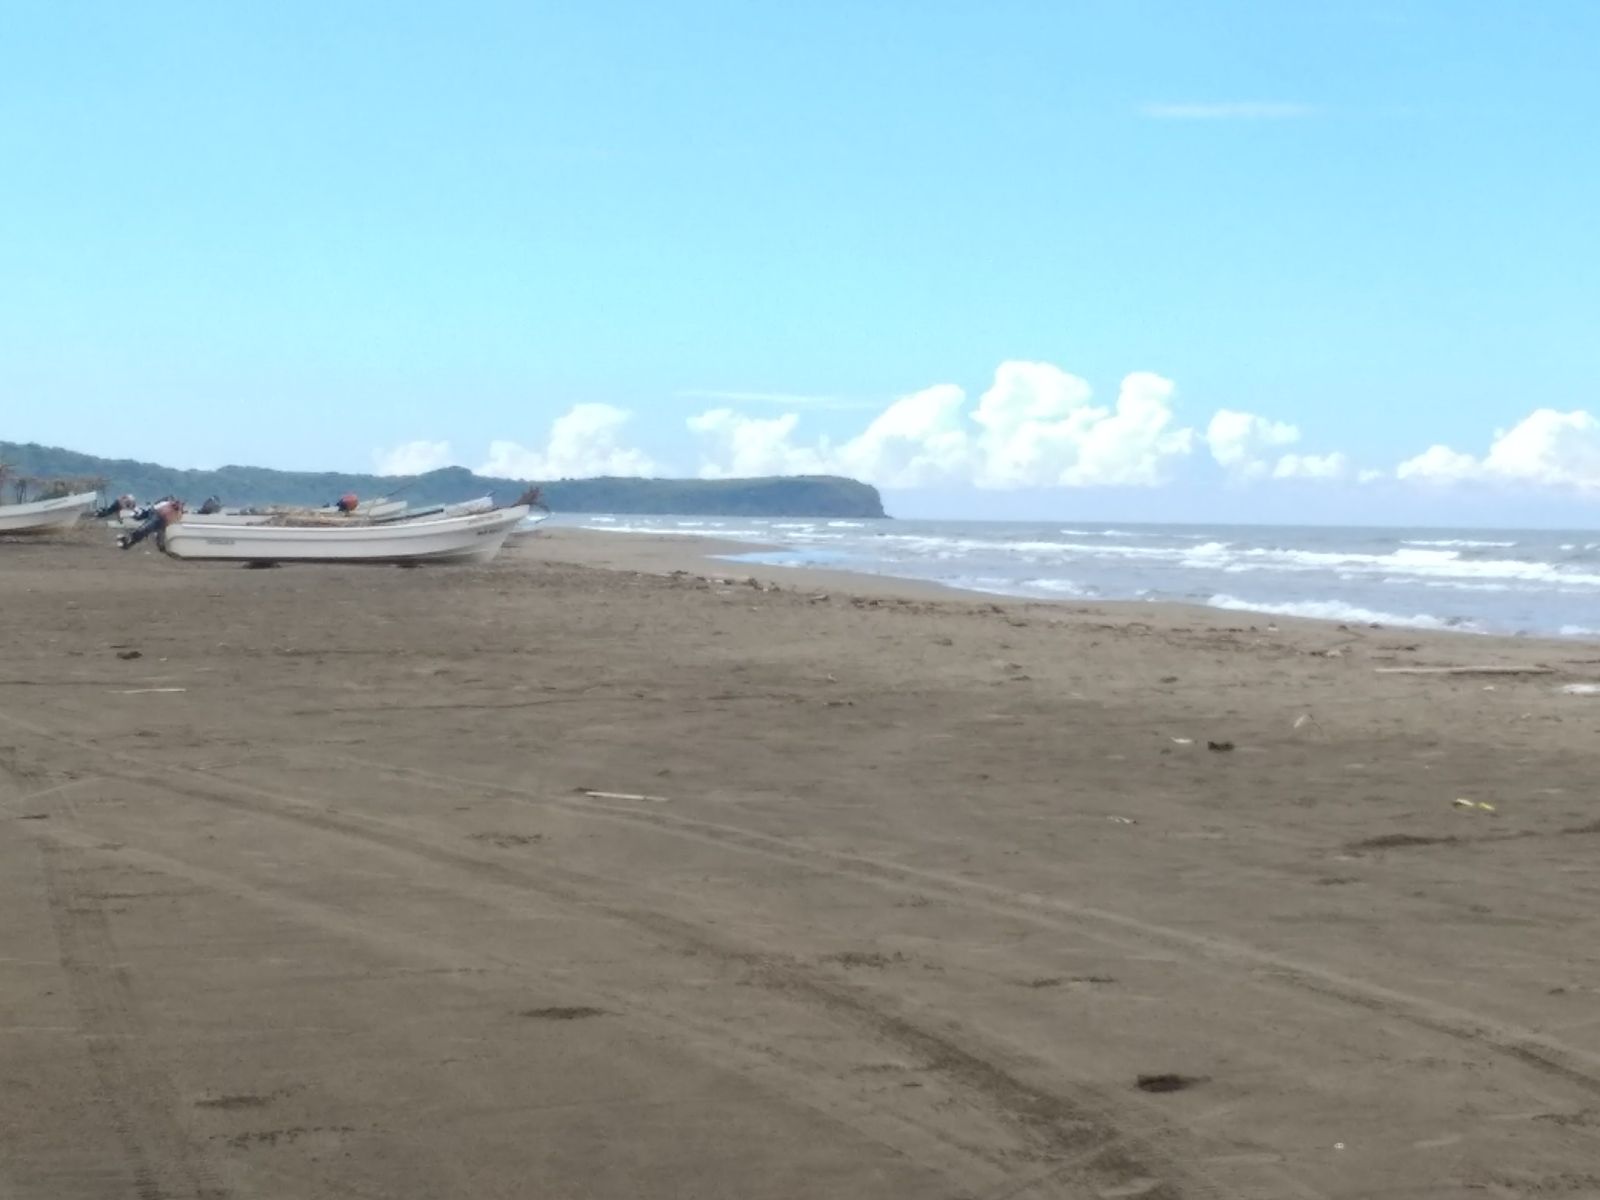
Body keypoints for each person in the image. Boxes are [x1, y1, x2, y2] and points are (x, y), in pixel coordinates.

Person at [117, 497, 184, 549]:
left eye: (178, 504)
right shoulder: (167, 504)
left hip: (162, 521)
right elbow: (155, 508)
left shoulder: (178, 513)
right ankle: (127, 540)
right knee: (144, 529)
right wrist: (152, 514)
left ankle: (129, 542)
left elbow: (172, 520)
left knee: (157, 535)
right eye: (176, 503)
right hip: (156, 516)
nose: (176, 505)